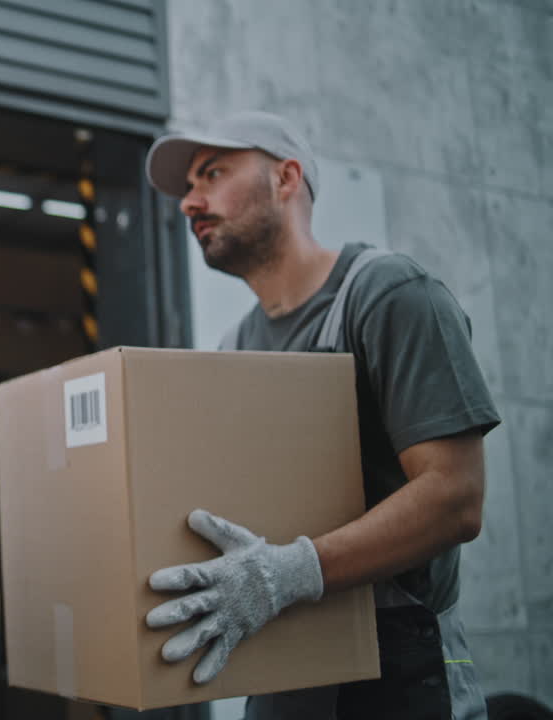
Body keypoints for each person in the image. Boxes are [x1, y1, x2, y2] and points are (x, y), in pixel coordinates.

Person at [142, 111, 499, 719]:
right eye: (185, 189)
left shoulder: (388, 295)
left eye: (212, 174)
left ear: (286, 179)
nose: (188, 202)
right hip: (282, 675)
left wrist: (290, 573)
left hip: (401, 677)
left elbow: (456, 497)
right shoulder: (234, 350)